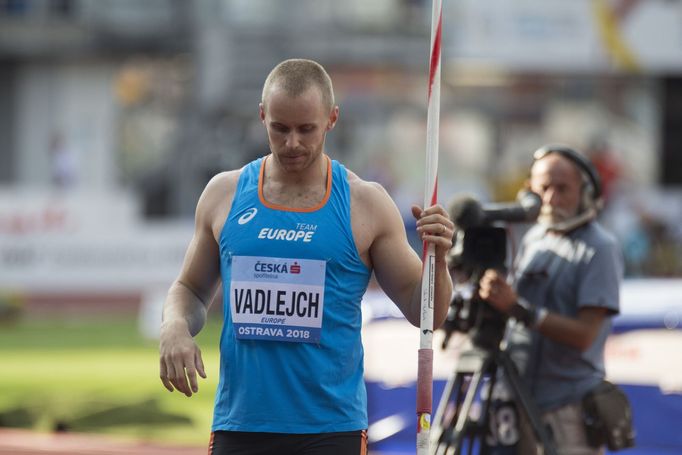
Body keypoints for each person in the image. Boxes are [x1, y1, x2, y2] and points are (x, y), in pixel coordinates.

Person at [158, 58, 454, 455]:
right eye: (279, 129)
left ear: (332, 119)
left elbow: (427, 315)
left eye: (306, 129)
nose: (292, 143)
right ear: (262, 116)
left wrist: (440, 261)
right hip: (241, 424)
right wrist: (174, 327)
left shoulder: (365, 204)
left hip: (330, 430)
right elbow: (190, 289)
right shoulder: (224, 194)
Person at [478, 145, 622, 455]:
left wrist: (518, 308)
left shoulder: (601, 247)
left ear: (586, 192)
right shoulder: (533, 238)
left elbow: (585, 335)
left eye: (562, 189)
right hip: (516, 400)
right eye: (543, 188)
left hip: (567, 409)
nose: (550, 199)